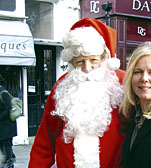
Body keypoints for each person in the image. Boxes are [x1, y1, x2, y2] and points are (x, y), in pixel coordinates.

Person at [29, 18, 126, 168]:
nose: (87, 68)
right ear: (71, 62)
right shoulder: (62, 87)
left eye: (93, 60)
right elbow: (45, 141)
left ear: (104, 58)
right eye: (80, 61)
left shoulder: (122, 82)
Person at [0, 84, 17, 168]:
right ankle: (9, 158)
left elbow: (8, 108)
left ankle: (9, 162)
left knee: (6, 143)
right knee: (3, 143)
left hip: (7, 125)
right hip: (3, 125)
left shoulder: (3, 93)